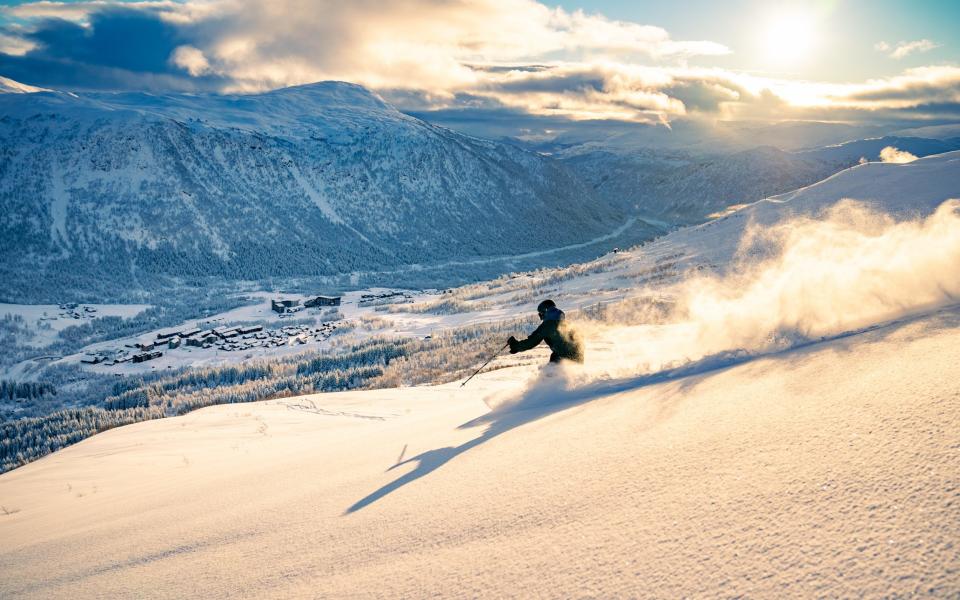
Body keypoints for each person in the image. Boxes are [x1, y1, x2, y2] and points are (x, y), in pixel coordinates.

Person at [508, 299, 584, 364]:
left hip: (563, 360)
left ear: (545, 311)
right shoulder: (567, 323)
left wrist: (515, 346)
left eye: (540, 314)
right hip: (578, 359)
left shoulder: (547, 326)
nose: (541, 317)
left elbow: (531, 342)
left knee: (549, 377)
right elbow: (579, 340)